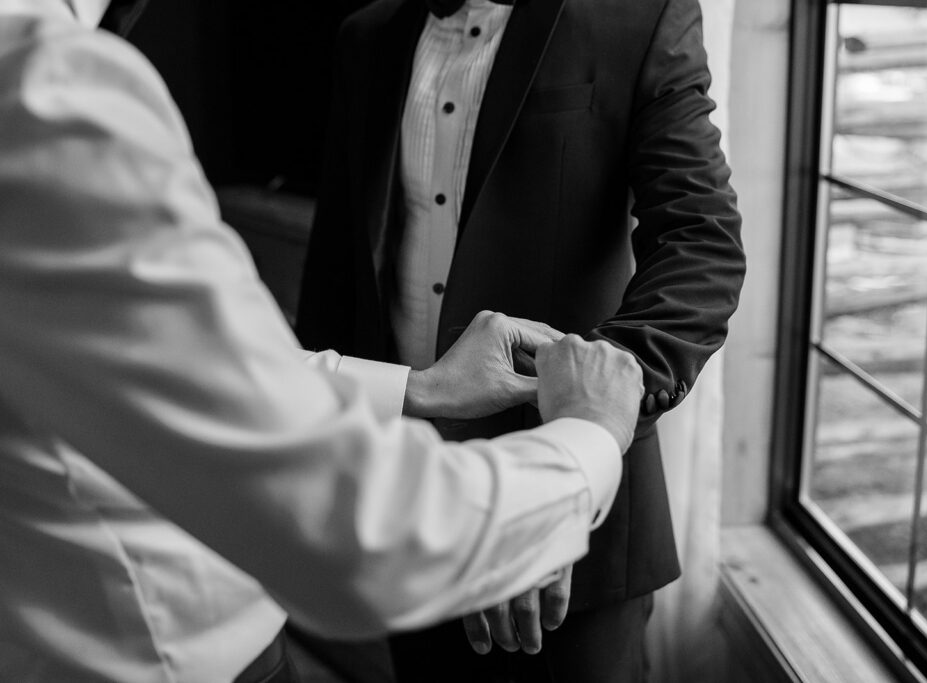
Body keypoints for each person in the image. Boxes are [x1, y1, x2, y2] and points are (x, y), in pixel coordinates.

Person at [0, 1, 647, 681]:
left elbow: (136, 362)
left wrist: (415, 389)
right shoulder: (49, 95)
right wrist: (589, 436)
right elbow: (353, 537)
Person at [297, 0, 747, 680]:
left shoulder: (640, 16)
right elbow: (337, 271)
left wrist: (584, 424)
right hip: (408, 502)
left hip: (582, 547)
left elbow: (701, 243)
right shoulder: (365, 36)